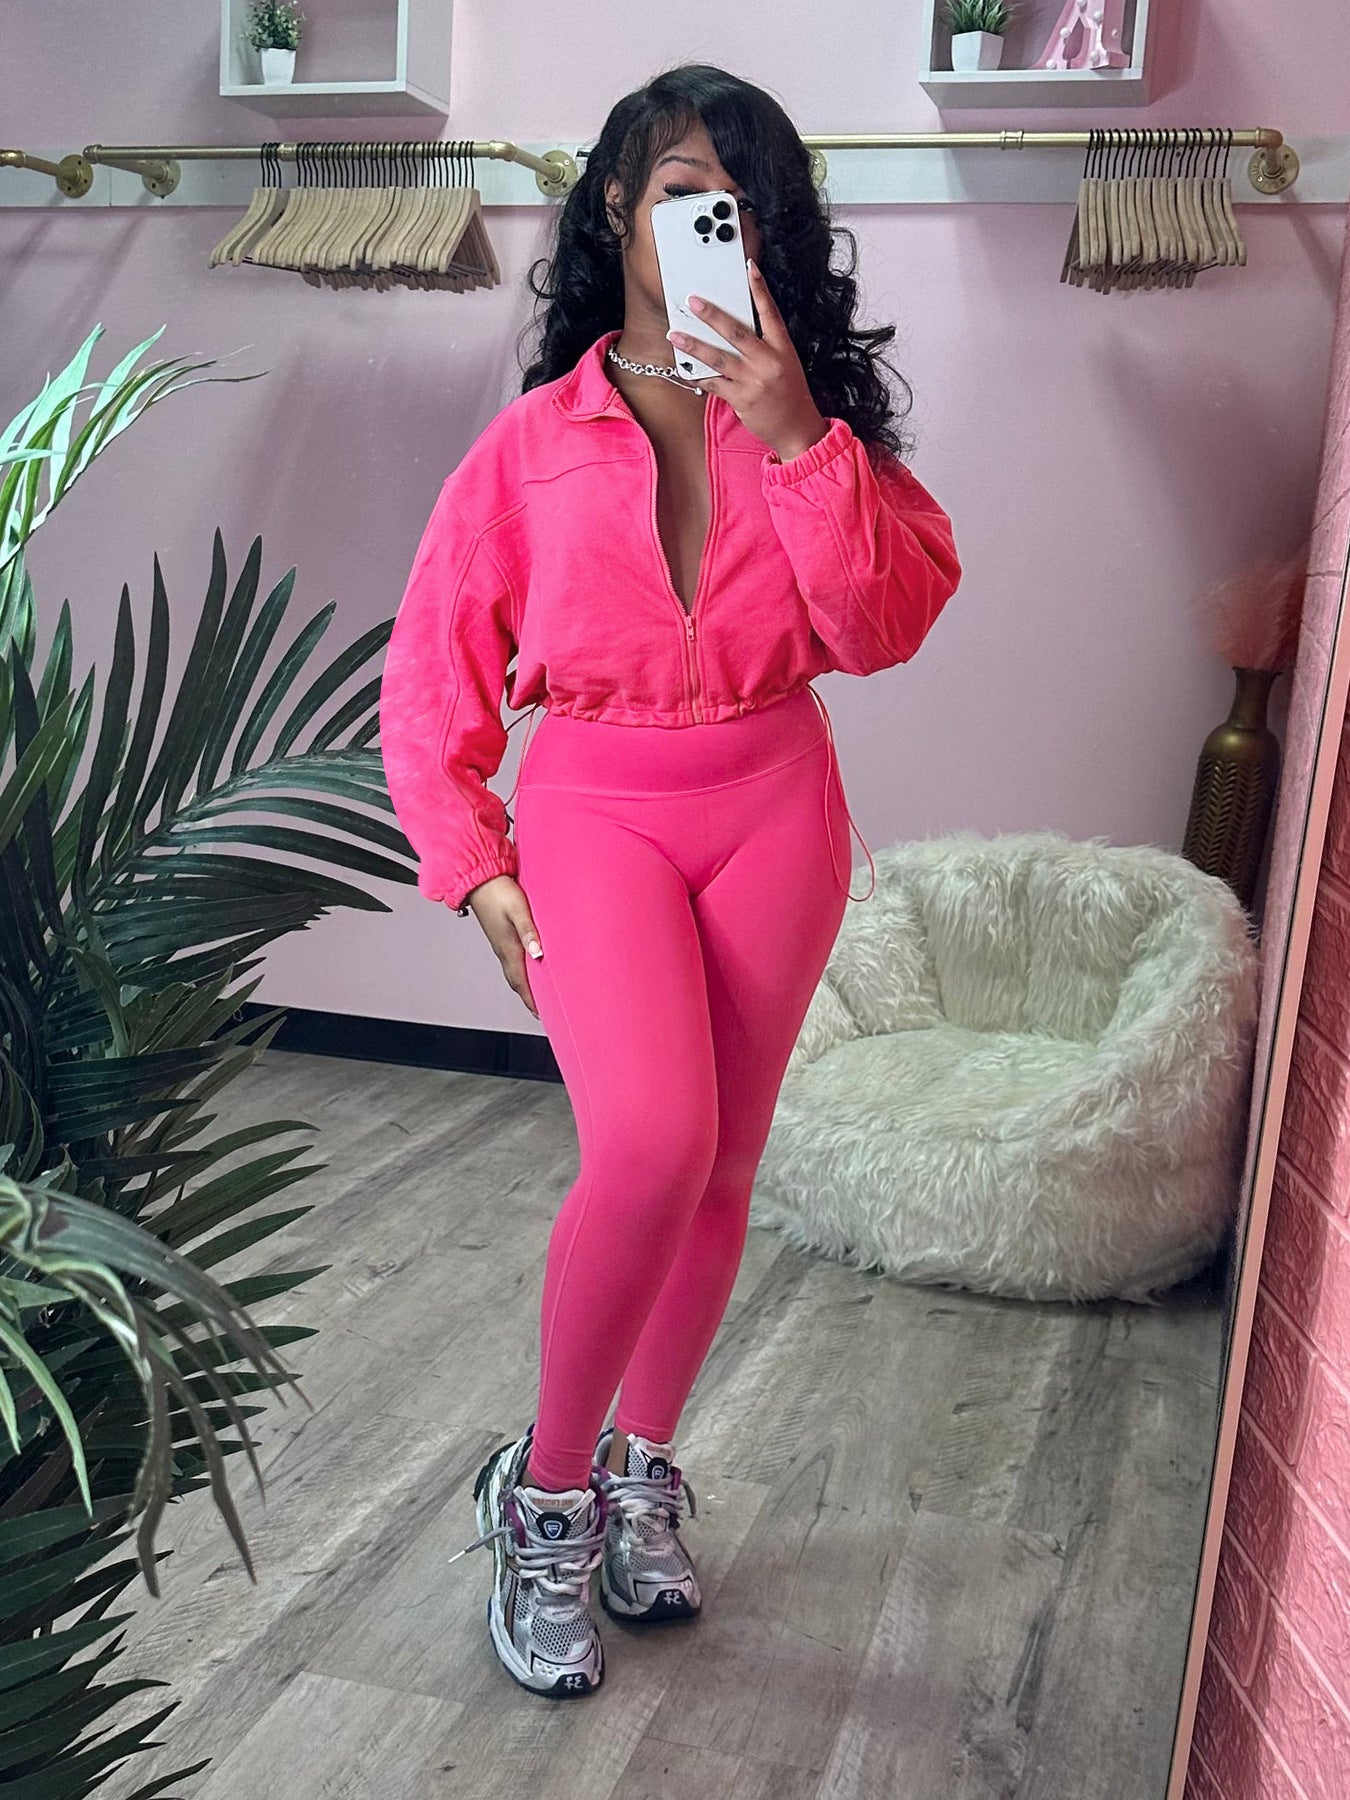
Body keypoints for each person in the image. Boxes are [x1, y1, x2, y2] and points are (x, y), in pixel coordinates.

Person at [378, 63, 962, 1700]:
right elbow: (429, 676)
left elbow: (884, 628)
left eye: (743, 199)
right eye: (682, 190)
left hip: (775, 802)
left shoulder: (812, 425)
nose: (715, 222)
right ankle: (546, 1496)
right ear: (615, 211)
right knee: (647, 1145)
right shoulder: (530, 446)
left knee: (721, 1171)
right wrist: (471, 861)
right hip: (595, 807)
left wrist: (793, 435)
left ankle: (643, 1466)